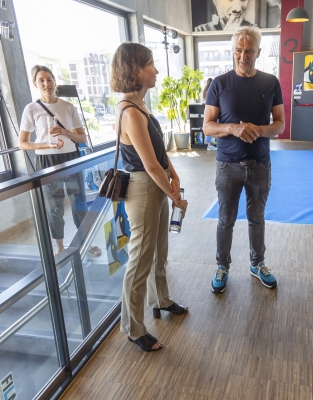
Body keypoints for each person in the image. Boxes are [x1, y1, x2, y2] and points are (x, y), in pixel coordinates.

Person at [110, 42, 189, 352]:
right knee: (140, 260)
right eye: (151, 65)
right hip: (142, 189)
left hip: (154, 185)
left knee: (159, 250)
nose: (156, 70)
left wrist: (175, 175)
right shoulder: (129, 111)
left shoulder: (141, 106)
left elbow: (159, 152)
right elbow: (150, 165)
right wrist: (175, 194)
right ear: (135, 70)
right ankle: (133, 327)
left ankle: (161, 300)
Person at [203, 26, 285, 294]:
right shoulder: (219, 83)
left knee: (257, 218)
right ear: (233, 51)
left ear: (258, 52)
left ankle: (257, 263)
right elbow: (207, 126)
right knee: (225, 219)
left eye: (248, 50)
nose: (242, 55)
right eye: (238, 50)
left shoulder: (271, 82)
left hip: (260, 165)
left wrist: (258, 130)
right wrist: (233, 128)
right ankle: (222, 265)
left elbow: (280, 125)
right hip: (227, 165)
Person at [19, 65, 101, 257]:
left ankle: (86, 243)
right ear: (35, 84)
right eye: (41, 80)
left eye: (49, 79)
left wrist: (64, 132)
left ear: (55, 81)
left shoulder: (68, 107)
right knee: (54, 207)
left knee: (78, 203)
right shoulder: (31, 109)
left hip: (71, 158)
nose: (46, 84)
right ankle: (60, 247)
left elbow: (82, 138)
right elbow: (23, 143)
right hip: (46, 162)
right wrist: (45, 145)